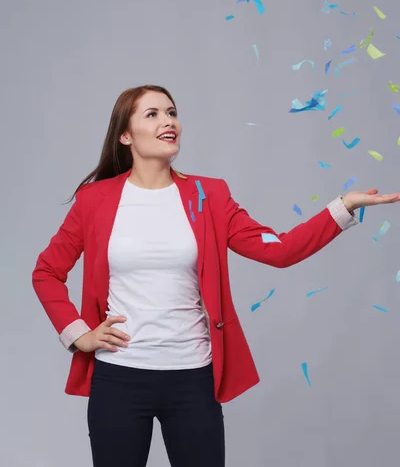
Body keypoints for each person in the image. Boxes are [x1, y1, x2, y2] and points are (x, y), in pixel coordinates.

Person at [32, 84, 400, 467]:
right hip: (119, 378)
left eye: (172, 112)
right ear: (126, 135)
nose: (168, 121)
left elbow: (280, 249)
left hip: (192, 378)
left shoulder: (210, 195)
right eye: (153, 114)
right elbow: (46, 272)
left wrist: (344, 207)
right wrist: (80, 335)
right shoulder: (96, 200)